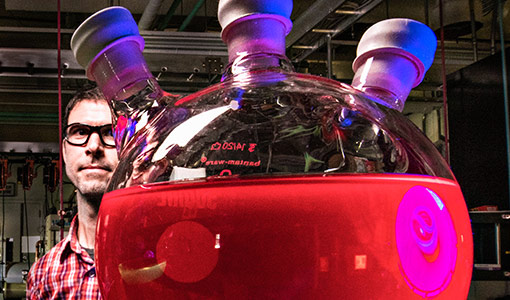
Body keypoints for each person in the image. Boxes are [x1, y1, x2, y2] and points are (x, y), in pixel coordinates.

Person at [26, 84, 119, 299]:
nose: (94, 146)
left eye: (110, 132)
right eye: (80, 132)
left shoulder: (161, 259)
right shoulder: (43, 275)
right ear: (65, 153)